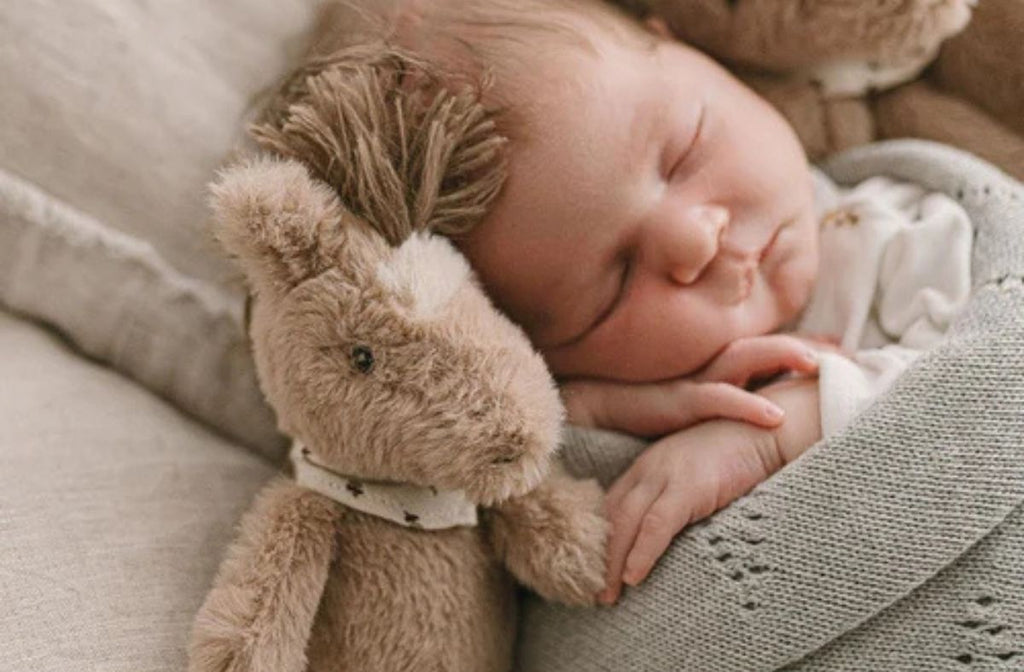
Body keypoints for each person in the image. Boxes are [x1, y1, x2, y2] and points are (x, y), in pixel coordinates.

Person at [378, 0, 973, 601]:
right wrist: (592, 413)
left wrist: (779, 434)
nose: (696, 239)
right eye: (616, 283)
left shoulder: (898, 236)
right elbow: (519, 520)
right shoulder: (614, 425)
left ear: (701, 57)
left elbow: (987, 390)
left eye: (685, 150)